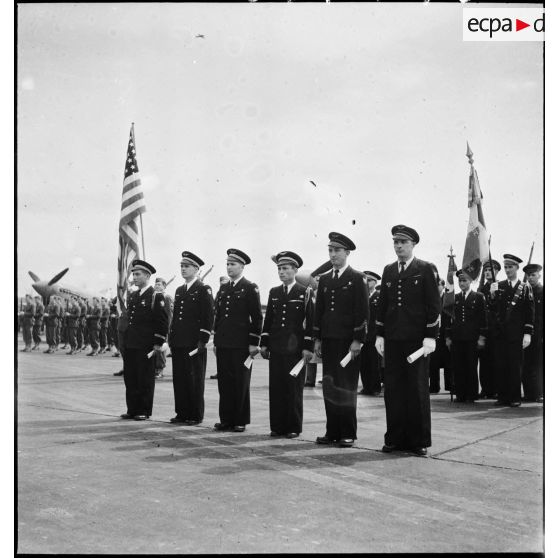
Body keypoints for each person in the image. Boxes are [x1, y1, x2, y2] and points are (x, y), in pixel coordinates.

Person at [375, 225, 440, 457]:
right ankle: (394, 438)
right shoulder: (389, 270)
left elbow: (434, 306)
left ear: (413, 244)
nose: (398, 246)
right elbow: (383, 305)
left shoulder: (425, 269)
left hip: (416, 342)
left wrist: (431, 336)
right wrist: (380, 334)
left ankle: (418, 440)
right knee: (393, 390)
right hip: (393, 340)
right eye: (395, 242)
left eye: (403, 242)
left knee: (417, 390)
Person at [313, 232, 369, 448]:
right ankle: (332, 430)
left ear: (347, 253)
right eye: (330, 250)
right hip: (329, 340)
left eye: (337, 250)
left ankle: (347, 432)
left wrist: (358, 340)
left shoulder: (357, 278)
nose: (333, 254)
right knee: (330, 386)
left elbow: (362, 312)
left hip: (348, 343)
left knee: (346, 387)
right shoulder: (325, 279)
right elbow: (320, 311)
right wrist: (317, 339)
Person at [260, 251, 314, 438]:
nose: (281, 272)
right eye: (279, 269)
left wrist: (308, 347)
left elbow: (310, 322)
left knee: (293, 389)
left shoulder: (304, 292)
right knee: (277, 387)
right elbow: (269, 321)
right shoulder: (274, 292)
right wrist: (264, 343)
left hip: (295, 350)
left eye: (285, 269)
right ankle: (277, 426)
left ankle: (292, 427)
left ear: (295, 270)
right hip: (277, 347)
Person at [213, 249, 262, 433]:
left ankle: (240, 420)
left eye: (233, 264)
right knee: (224, 383)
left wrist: (253, 342)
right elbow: (219, 318)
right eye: (227, 263)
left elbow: (257, 318)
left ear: (242, 266)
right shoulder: (224, 288)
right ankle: (226, 419)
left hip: (241, 344)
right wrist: (217, 341)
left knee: (240, 383)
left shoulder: (250, 287)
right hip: (224, 343)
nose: (229, 267)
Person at [168, 252, 214, 425]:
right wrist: (172, 339)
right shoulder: (180, 290)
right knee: (179, 379)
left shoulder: (203, 289)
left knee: (194, 379)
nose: (183, 269)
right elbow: (176, 318)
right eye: (181, 266)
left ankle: (195, 414)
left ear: (196, 269)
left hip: (194, 343)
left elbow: (208, 316)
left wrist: (203, 340)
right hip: (179, 341)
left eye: (187, 266)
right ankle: (181, 412)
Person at [120, 260, 169, 421]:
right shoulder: (134, 295)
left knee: (144, 378)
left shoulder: (155, 296)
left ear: (147, 276)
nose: (134, 277)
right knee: (131, 377)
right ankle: (132, 409)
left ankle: (143, 410)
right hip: (132, 343)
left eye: (137, 274)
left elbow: (162, 322)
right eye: (133, 274)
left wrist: (158, 343)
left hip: (146, 345)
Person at [489, 254, 534, 407]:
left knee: (515, 366)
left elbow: (530, 311)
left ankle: (514, 397)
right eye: (506, 267)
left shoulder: (525, 287)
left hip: (517, 334)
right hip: (501, 333)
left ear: (517, 268)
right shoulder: (499, 285)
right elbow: (493, 309)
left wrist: (528, 333)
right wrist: (493, 295)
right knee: (501, 365)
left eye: (511, 267)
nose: (508, 270)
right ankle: (503, 396)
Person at [446, 270, 487, 403]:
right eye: (460, 281)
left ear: (471, 281)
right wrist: (448, 337)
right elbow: (449, 319)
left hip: (472, 338)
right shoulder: (455, 298)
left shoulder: (478, 297)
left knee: (471, 366)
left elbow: (483, 318)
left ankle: (471, 394)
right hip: (457, 338)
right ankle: (460, 393)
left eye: (465, 280)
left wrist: (481, 337)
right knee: (458, 366)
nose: (462, 283)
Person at [478, 260, 501, 399]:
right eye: (485, 270)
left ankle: (497, 389)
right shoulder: (481, 290)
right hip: (484, 329)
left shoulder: (501, 287)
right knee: (484, 361)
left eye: (491, 270)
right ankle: (486, 389)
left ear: (497, 271)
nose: (487, 272)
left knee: (497, 360)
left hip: (497, 330)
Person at [521, 263, 543, 403]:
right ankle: (529, 393)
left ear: (539, 275)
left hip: (540, 334)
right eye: (528, 275)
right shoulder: (524, 292)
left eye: (533, 275)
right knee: (526, 364)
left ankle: (539, 393)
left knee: (539, 365)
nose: (530, 278)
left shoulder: (545, 291)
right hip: (527, 334)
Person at [359, 271, 382, 396]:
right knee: (363, 363)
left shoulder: (379, 296)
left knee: (374, 362)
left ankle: (375, 388)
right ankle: (366, 387)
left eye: (369, 280)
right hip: (363, 335)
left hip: (374, 334)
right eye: (365, 280)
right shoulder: (362, 296)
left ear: (375, 282)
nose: (367, 283)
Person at [429, 276, 452, 395]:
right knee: (433, 362)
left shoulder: (448, 299)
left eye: (438, 284)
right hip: (434, 334)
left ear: (443, 286)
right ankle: (434, 386)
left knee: (448, 361)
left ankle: (450, 385)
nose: (436, 286)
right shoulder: (431, 299)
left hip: (445, 333)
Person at [209, 275, 231, 380]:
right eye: (221, 282)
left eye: (225, 282)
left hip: (230, 329)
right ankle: (221, 370)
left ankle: (226, 371)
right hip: (220, 327)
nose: (223, 284)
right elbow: (216, 311)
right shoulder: (219, 294)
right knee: (216, 349)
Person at [153, 278, 174, 378]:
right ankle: (154, 368)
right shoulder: (153, 297)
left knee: (160, 349)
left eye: (159, 285)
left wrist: (167, 329)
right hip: (154, 327)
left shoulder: (167, 297)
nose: (157, 286)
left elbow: (169, 315)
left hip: (163, 328)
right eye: (156, 284)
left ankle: (159, 369)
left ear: (164, 286)